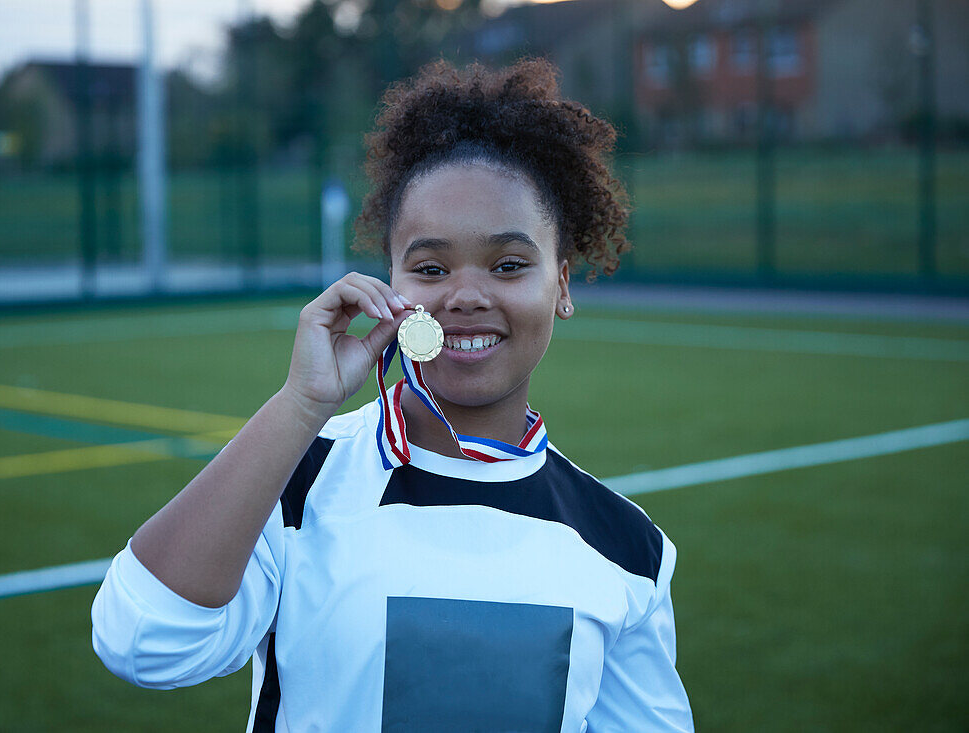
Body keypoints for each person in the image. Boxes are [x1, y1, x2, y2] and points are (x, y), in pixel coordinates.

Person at [92, 58, 694, 732]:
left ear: (561, 284)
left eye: (509, 265)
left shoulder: (627, 549)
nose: (465, 294)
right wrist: (300, 404)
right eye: (431, 267)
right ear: (389, 283)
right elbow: (139, 639)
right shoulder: (297, 482)